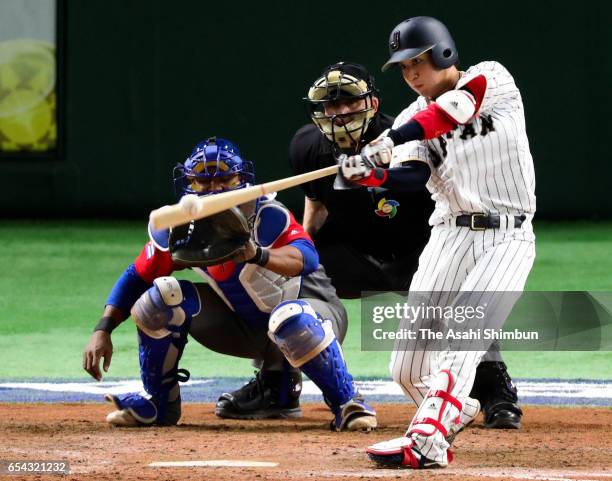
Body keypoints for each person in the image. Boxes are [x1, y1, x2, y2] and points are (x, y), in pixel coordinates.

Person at [338, 17, 535, 468]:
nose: (410, 73)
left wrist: (387, 140)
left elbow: (449, 113)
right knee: (406, 369)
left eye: (417, 62)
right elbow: (413, 177)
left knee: (464, 336)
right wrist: (372, 175)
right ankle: (456, 409)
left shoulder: (491, 78)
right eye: (403, 67)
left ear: (444, 54)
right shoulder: (410, 116)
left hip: (507, 235)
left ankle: (427, 441)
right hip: (449, 236)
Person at [82, 136, 377, 432]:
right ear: (188, 184)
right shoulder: (182, 229)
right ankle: (159, 404)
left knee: (288, 316)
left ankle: (347, 402)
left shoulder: (267, 216)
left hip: (315, 317)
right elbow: (136, 276)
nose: (214, 189)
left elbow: (307, 258)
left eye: (225, 178)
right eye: (203, 182)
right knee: (158, 300)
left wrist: (258, 254)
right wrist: (102, 329)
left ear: (242, 179)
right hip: (246, 329)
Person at [289, 61, 524, 432]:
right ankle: (279, 383)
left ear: (372, 102)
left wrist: (376, 171)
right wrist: (302, 252)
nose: (339, 113)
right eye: (331, 106)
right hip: (355, 255)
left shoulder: (408, 126)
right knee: (294, 277)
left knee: (464, 301)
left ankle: (495, 389)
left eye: (349, 102)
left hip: (415, 251)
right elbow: (315, 207)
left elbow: (416, 180)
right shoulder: (307, 146)